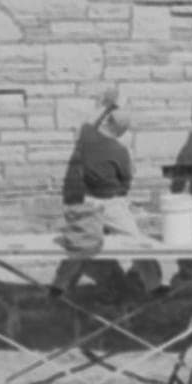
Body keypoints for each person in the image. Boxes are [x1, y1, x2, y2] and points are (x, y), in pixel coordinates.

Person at [51, 104, 161, 298]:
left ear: (106, 120)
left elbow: (90, 121)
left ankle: (59, 285)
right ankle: (154, 285)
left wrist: (107, 104)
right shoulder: (119, 151)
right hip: (111, 205)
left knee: (80, 243)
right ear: (121, 131)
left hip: (86, 203)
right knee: (137, 242)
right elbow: (126, 181)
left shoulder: (87, 136)